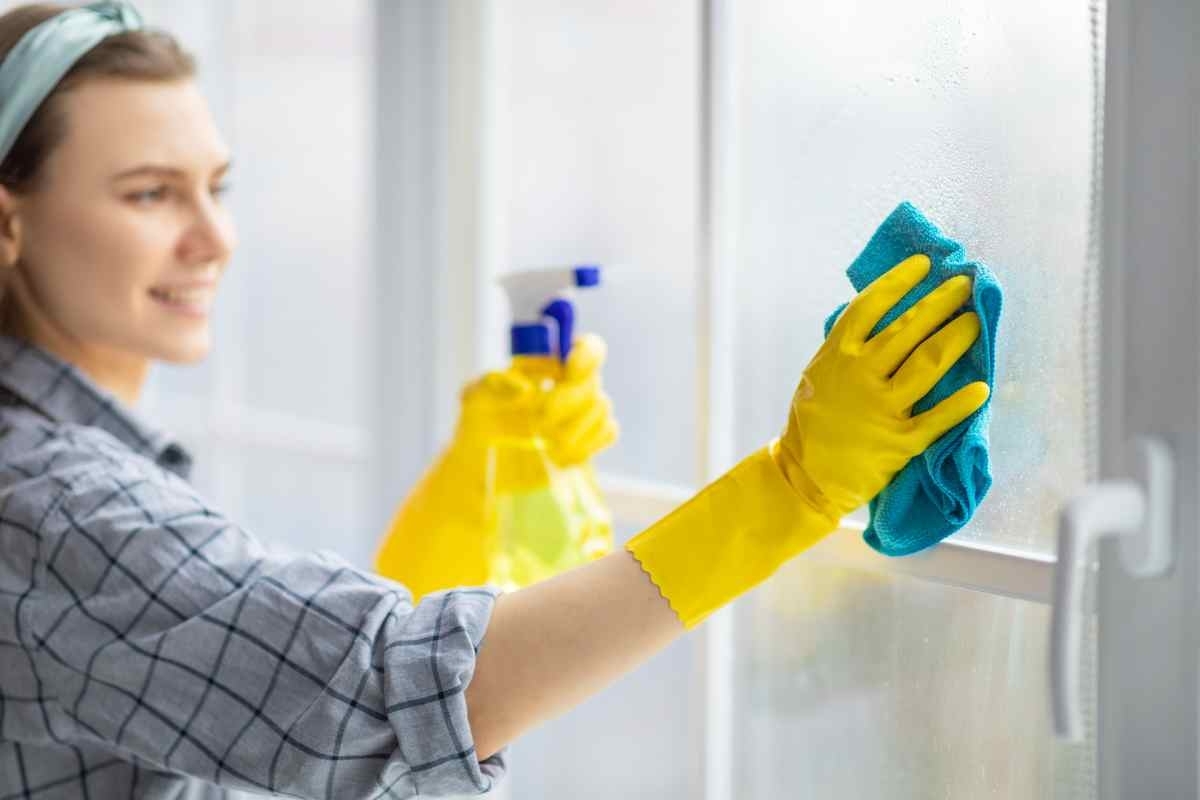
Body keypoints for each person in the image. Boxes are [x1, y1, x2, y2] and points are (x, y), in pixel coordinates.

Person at [0, 3, 989, 798]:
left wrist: (449, 546)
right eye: (148, 193)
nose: (214, 239)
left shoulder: (70, 464)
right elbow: (417, 694)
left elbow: (270, 723)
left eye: (218, 185)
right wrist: (790, 489)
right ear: (10, 226)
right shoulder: (46, 500)